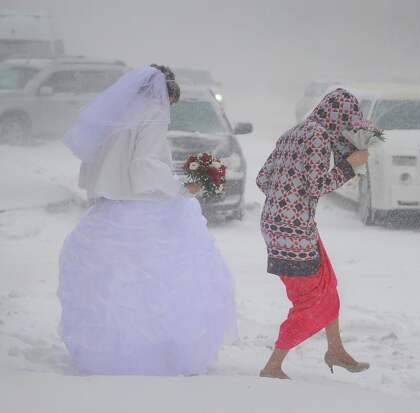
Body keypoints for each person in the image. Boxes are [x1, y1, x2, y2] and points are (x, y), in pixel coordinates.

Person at [58, 64, 236, 375]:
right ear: (164, 96)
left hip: (110, 212)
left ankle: (111, 355)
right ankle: (158, 356)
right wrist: (182, 185)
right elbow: (143, 166)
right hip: (145, 212)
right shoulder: (153, 114)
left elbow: (102, 164)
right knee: (161, 284)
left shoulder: (118, 117)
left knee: (117, 286)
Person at [256, 88, 379, 379]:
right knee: (311, 301)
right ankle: (272, 366)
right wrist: (351, 164)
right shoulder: (318, 137)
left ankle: (335, 349)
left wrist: (285, 196)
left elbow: (263, 178)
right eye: (349, 119)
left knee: (328, 283)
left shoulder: (293, 133)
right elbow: (316, 186)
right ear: (340, 116)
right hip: (294, 231)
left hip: (279, 224)